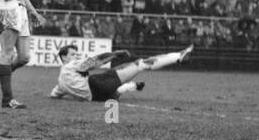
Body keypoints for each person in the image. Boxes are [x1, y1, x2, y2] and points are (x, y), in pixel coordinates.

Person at [49, 44, 193, 102]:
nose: (76, 56)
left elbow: (54, 94)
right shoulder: (72, 65)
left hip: (98, 98)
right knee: (140, 64)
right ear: (64, 57)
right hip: (96, 84)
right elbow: (94, 62)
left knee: (115, 92)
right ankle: (177, 57)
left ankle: (128, 87)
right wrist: (114, 54)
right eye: (73, 54)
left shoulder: (60, 83)